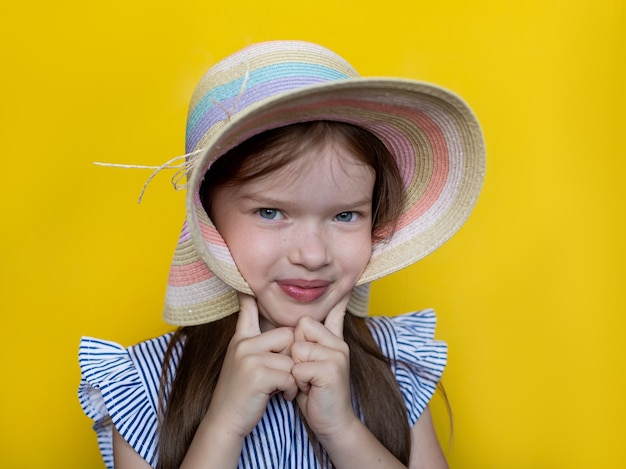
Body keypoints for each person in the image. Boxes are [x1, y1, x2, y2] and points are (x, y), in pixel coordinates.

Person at [78, 40, 485, 469]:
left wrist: (342, 429)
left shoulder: (395, 364)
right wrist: (225, 423)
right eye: (271, 212)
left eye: (346, 215)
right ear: (209, 220)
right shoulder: (144, 384)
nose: (312, 255)